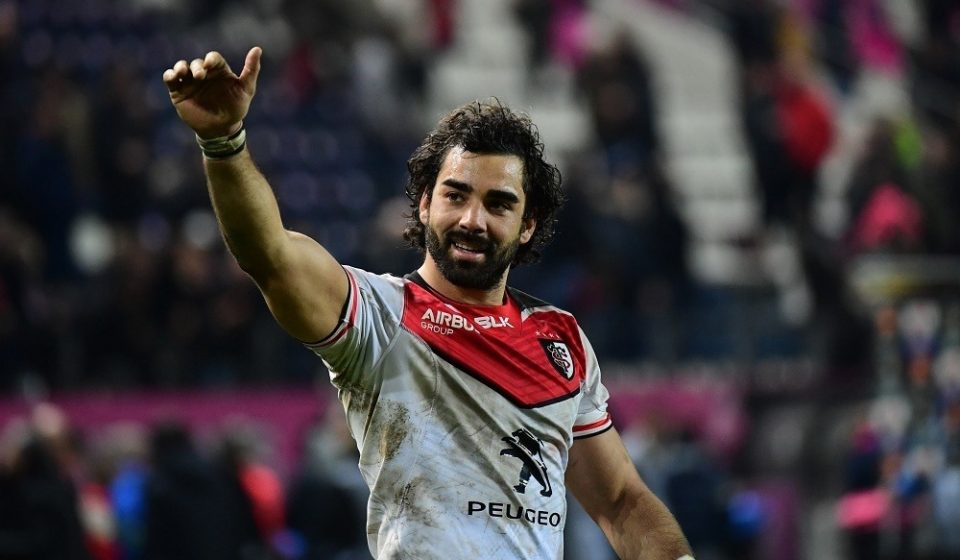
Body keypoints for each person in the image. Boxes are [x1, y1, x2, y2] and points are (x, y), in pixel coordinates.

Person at [162, 46, 694, 560]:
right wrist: (224, 142)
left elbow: (623, 503)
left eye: (499, 203)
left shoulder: (562, 340)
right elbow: (270, 255)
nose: (472, 220)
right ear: (423, 202)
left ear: (527, 225)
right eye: (456, 194)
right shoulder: (378, 315)